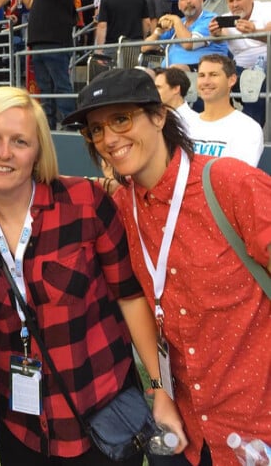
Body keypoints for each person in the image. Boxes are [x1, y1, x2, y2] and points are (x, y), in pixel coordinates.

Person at [0, 86, 186, 466]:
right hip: (22, 425)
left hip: (103, 412)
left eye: (19, 141)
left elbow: (130, 298)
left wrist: (161, 388)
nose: (4, 153)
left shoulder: (84, 202)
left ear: (37, 152)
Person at [67, 67, 271, 466]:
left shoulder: (229, 183)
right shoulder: (123, 209)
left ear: (159, 116)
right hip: (184, 434)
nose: (109, 139)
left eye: (121, 119)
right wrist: (160, 390)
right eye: (95, 129)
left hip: (257, 428)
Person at [19, 0, 76, 129]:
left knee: (61, 87)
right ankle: (48, 128)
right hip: (39, 43)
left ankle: (71, 126)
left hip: (55, 42)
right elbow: (29, 3)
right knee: (46, 89)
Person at [208, 0, 271, 126]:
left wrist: (254, 31)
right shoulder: (225, 19)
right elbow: (219, 38)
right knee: (211, 79)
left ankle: (246, 131)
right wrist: (215, 35)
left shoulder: (266, 8)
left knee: (255, 82)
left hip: (267, 67)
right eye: (230, 1)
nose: (235, 5)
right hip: (239, 71)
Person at [192, 54, 263, 166]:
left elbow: (237, 178)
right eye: (201, 75)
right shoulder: (186, 124)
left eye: (213, 75)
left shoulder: (248, 128)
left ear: (231, 80)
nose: (206, 81)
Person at [143, 0, 227, 71]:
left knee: (174, 70)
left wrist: (175, 20)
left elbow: (189, 44)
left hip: (202, 71)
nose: (188, 1)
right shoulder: (180, 23)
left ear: (201, 1)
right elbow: (145, 48)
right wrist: (158, 31)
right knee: (141, 72)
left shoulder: (210, 19)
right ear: (179, 5)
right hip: (170, 72)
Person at [153, 67, 199, 131]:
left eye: (158, 87)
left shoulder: (195, 122)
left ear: (176, 89)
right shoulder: (152, 118)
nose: (153, 91)